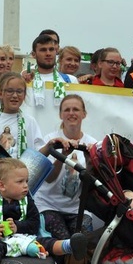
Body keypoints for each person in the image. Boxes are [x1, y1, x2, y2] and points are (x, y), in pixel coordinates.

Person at [0, 157, 86, 264]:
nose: (26, 186)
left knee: (45, 241)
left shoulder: (27, 202)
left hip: (26, 240)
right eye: (20, 182)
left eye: (27, 181)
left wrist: (17, 227)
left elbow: (34, 224)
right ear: (2, 185)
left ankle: (68, 245)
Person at [35, 94, 98, 238]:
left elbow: (91, 184)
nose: (71, 113)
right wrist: (62, 156)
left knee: (83, 243)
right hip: (48, 205)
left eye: (75, 109)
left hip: (78, 209)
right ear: (60, 115)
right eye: (67, 110)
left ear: (84, 114)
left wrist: (89, 160)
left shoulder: (92, 143)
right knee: (63, 241)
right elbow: (48, 179)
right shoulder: (50, 140)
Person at [25, 33, 77, 107]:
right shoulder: (26, 80)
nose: (48, 53)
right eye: (43, 50)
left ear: (56, 52)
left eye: (51, 49)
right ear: (34, 54)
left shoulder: (71, 80)